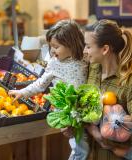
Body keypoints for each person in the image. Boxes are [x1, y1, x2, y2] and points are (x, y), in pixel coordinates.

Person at [9, 19, 89, 160]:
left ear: (71, 45)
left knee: (85, 146)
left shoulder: (84, 58)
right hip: (67, 111)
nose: (52, 50)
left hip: (83, 109)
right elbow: (41, 83)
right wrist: (22, 92)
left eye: (56, 47)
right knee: (79, 148)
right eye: (50, 46)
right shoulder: (54, 63)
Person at [82, 19, 132, 159]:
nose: (84, 51)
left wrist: (113, 143)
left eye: (88, 46)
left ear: (105, 49)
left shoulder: (127, 81)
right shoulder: (93, 68)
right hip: (91, 153)